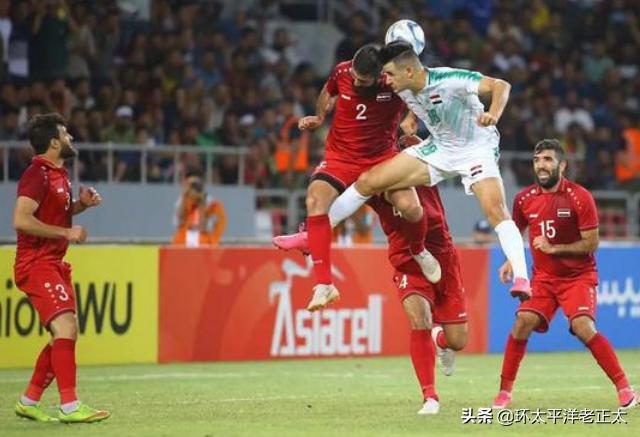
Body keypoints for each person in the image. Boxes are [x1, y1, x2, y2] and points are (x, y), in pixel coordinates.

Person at [324, 40, 532, 300]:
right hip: (440, 148)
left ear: (409, 71)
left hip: (476, 148)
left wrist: (493, 113)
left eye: (390, 74)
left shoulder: (449, 79)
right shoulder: (402, 86)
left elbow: (501, 85)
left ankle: (522, 279)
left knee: (496, 211)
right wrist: (411, 119)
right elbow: (410, 99)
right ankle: (316, 231)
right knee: (369, 181)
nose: (386, 80)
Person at [273, 44, 440, 312]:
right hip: (341, 157)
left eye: (363, 80)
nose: (356, 81)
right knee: (315, 199)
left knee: (411, 208)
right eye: (354, 75)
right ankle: (324, 284)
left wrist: (411, 118)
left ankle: (419, 249)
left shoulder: (393, 81)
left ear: (379, 76)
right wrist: (319, 115)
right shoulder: (342, 72)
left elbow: (420, 91)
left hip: (381, 157)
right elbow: (328, 90)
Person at [492, 139, 637, 409]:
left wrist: (554, 248)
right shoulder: (523, 199)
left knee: (583, 327)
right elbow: (515, 235)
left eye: (547, 160)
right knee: (522, 322)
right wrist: (510, 261)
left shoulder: (580, 197)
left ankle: (625, 389)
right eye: (537, 160)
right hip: (543, 279)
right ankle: (504, 393)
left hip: (578, 277)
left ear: (562, 165)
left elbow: (591, 244)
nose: (541, 165)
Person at [12, 113, 110, 423]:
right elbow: (21, 219)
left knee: (63, 334)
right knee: (66, 328)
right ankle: (70, 406)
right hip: (36, 263)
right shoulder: (36, 174)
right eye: (66, 133)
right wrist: (67, 232)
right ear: (54, 142)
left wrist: (80, 206)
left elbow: (53, 214)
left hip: (53, 263)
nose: (71, 137)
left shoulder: (59, 174)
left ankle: (29, 401)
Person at [369, 185, 468, 415]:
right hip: (408, 263)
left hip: (443, 259)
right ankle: (430, 397)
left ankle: (440, 340)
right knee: (420, 321)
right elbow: (347, 193)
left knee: (458, 341)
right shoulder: (375, 183)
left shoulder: (422, 170)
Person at [173, 169, 226, 247]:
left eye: (198, 185)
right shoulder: (183, 200)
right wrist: (184, 196)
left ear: (203, 185)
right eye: (192, 185)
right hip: (183, 242)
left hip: (204, 244)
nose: (195, 188)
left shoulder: (212, 203)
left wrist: (201, 203)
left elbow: (204, 228)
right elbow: (180, 222)